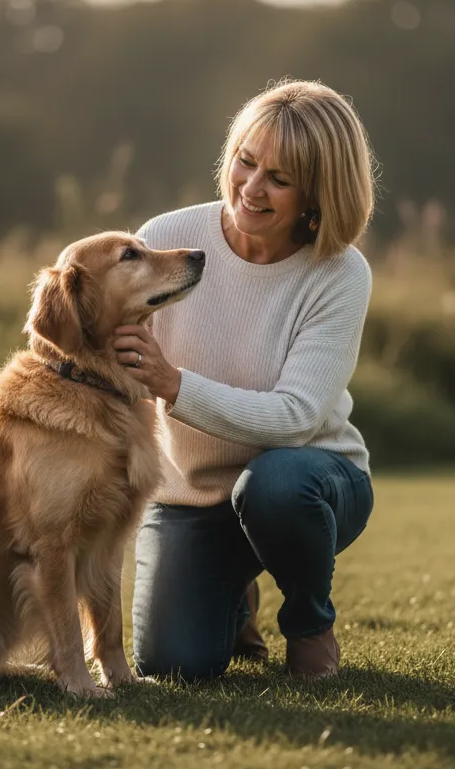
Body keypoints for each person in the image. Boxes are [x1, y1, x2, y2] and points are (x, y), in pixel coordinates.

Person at [112, 79, 376, 680]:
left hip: (310, 484)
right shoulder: (163, 241)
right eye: (245, 161)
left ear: (317, 191)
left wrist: (173, 384)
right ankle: (235, 597)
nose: (251, 188)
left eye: (279, 179)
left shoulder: (338, 273)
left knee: (274, 484)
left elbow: (296, 418)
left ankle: (310, 625)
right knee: (172, 665)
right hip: (190, 494)